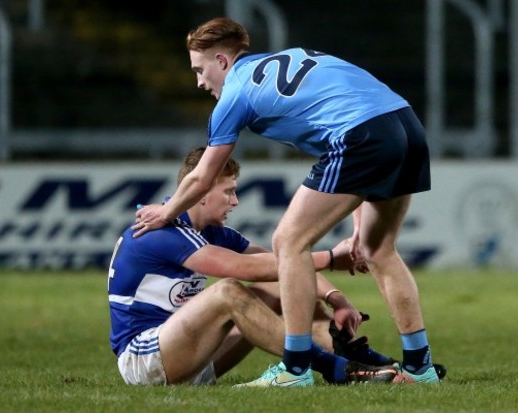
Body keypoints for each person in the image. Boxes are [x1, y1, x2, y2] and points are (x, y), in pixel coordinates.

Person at [132, 17, 439, 385]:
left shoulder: (236, 93)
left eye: (201, 70)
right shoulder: (292, 58)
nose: (200, 81)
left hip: (363, 136)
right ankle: (419, 366)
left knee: (288, 242)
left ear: (223, 61)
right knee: (378, 249)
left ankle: (295, 368)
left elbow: (202, 177)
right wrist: (357, 227)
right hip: (405, 124)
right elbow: (348, 127)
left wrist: (165, 211)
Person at [108, 147, 399, 386]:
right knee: (228, 292)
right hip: (144, 361)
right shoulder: (161, 231)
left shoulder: (209, 231)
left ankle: (372, 365)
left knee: (276, 285)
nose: (235, 201)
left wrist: (334, 297)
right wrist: (332, 258)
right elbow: (244, 268)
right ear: (201, 191)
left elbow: (283, 262)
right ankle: (334, 369)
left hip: (185, 354)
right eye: (229, 192)